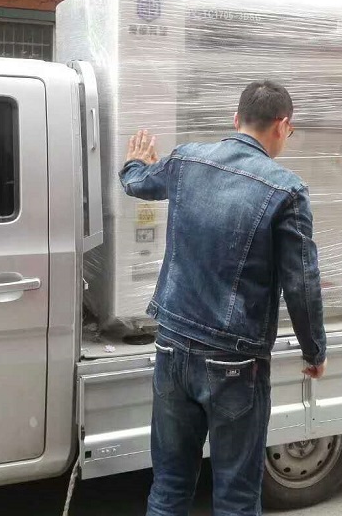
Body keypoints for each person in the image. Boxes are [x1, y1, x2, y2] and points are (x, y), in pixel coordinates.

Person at [120, 80, 328, 516]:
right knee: (236, 497)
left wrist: (134, 163)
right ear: (282, 126)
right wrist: (314, 351)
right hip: (234, 359)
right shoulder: (286, 190)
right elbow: (302, 283)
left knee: (169, 486)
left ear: (236, 120)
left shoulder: (186, 160)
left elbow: (137, 183)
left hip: (171, 344)